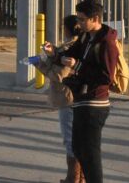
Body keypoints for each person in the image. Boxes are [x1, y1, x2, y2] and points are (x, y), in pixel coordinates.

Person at [56, 0, 119, 183]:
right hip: (80, 101)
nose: (79, 23)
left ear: (95, 19)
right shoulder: (86, 37)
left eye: (83, 19)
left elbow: (106, 77)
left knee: (91, 154)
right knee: (77, 147)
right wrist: (55, 54)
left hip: (95, 105)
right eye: (78, 19)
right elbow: (70, 53)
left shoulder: (107, 43)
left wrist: (78, 66)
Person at [37, 15, 83, 183]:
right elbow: (61, 59)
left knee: (70, 139)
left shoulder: (71, 47)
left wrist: (40, 64)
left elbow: (59, 74)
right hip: (74, 96)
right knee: (76, 138)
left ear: (66, 29)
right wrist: (53, 52)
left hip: (67, 97)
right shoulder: (78, 45)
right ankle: (79, 178)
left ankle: (73, 178)